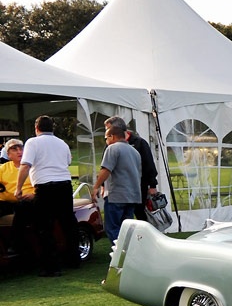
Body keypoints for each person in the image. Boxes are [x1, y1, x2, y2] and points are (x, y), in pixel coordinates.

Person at [16, 116, 79, 276]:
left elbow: (25, 166)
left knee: (44, 226)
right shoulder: (62, 143)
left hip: (45, 186)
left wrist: (18, 189)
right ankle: (74, 259)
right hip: (64, 185)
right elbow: (68, 162)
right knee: (68, 223)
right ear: (53, 128)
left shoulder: (32, 142)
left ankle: (51, 266)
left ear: (36, 128)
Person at [92, 119, 142, 243]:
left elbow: (106, 170)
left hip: (116, 195)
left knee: (112, 228)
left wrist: (96, 187)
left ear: (112, 136)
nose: (106, 141)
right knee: (126, 230)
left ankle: (119, 256)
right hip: (132, 196)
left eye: (106, 138)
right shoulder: (135, 152)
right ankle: (129, 253)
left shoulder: (112, 148)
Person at [104, 117, 158, 220]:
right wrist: (103, 185)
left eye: (109, 128)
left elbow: (148, 164)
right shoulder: (109, 144)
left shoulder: (139, 143)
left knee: (139, 212)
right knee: (121, 216)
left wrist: (152, 185)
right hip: (117, 188)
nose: (107, 132)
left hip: (138, 185)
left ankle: (143, 234)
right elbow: (106, 165)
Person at [0, 139, 36, 255]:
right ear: (8, 154)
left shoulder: (33, 167)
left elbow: (43, 186)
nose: (19, 151)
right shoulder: (3, 168)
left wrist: (34, 195)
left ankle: (16, 245)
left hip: (29, 200)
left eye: (21, 148)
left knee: (21, 208)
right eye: (14, 149)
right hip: (8, 201)